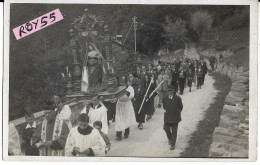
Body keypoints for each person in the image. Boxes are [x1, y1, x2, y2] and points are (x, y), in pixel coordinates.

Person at [162, 86, 183, 150]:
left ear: (173, 91)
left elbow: (180, 107)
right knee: (166, 128)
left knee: (174, 131)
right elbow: (164, 106)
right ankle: (170, 138)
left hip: (175, 117)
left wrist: (176, 111)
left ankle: (173, 144)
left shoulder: (178, 98)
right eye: (168, 91)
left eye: (170, 91)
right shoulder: (165, 98)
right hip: (167, 116)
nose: (169, 92)